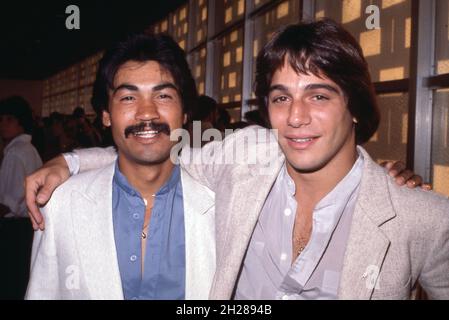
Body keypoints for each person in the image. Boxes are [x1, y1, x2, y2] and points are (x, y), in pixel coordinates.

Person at [26, 21, 434, 300]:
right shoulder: (245, 161)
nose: (296, 116)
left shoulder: (419, 216)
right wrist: (69, 162)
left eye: (319, 95)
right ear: (105, 113)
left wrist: (394, 187)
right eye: (280, 98)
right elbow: (151, 150)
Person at [25, 34, 215, 299]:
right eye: (128, 98)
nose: (147, 113)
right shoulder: (62, 205)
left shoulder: (220, 207)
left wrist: (73, 159)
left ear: (184, 114)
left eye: (163, 95)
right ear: (105, 114)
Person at [0, 96, 42, 218]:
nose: (3, 124)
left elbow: (9, 205)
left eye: (9, 120)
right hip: (29, 220)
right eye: (1, 119)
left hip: (14, 224)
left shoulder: (15, 153)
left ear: (22, 122)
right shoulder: (29, 148)